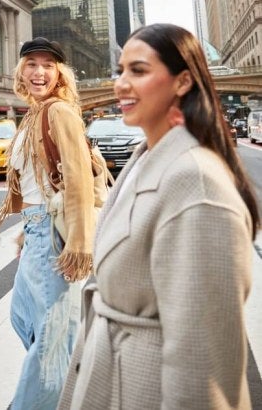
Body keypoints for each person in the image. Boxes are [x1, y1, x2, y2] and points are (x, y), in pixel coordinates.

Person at [58, 23, 260, 410]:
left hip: (145, 387)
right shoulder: (145, 158)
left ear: (183, 81)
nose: (120, 84)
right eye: (119, 71)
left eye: (138, 70)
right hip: (109, 373)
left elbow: (205, 363)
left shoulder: (196, 181)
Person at [0, 37, 102, 410]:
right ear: (20, 70)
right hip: (39, 229)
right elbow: (42, 183)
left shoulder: (59, 112)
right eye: (32, 64)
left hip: (57, 239)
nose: (39, 72)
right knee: (24, 317)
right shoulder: (33, 114)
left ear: (60, 73)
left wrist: (80, 245)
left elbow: (78, 180)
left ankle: (44, 399)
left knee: (53, 340)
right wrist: (27, 227)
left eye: (48, 65)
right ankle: (60, 390)